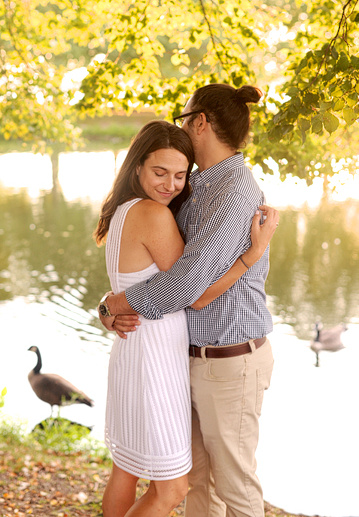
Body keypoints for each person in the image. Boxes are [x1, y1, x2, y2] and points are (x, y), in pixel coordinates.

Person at [98, 84, 278, 517]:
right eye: (162, 172)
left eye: (184, 119)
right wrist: (108, 307)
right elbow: (153, 265)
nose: (170, 180)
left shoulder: (233, 192)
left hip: (229, 360)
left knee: (234, 487)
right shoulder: (195, 184)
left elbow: (187, 290)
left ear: (199, 122)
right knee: (196, 484)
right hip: (186, 357)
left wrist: (115, 304)